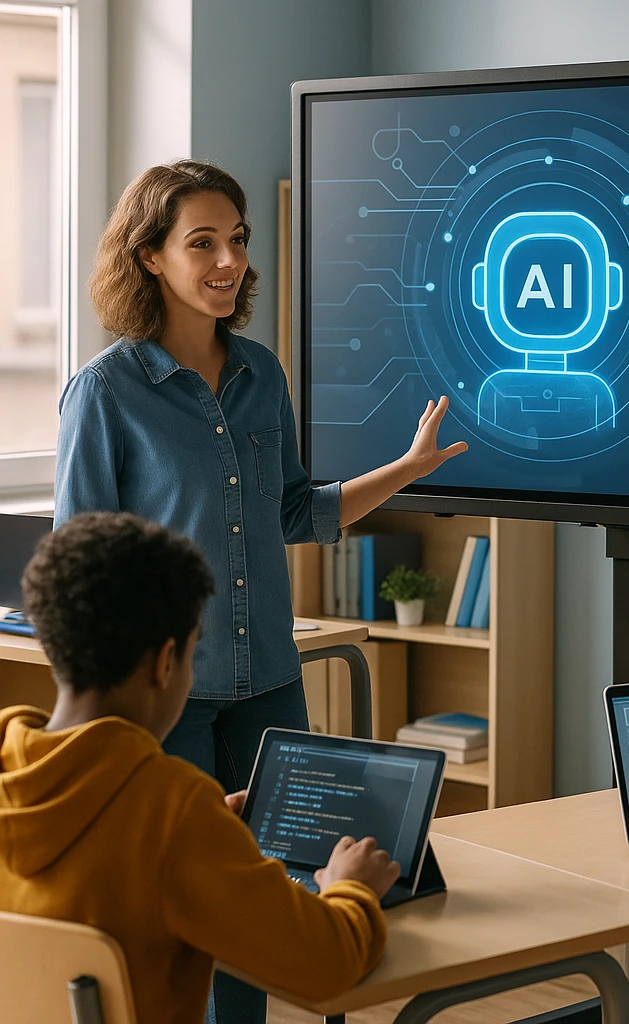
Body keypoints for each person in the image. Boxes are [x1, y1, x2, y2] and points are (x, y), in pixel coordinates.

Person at [54, 160, 466, 1021]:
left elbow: (294, 512)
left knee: (277, 886)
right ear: (149, 256)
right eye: (200, 241)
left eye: (237, 239)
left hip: (270, 680)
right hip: (170, 694)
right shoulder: (106, 392)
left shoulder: (260, 376)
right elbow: (84, 559)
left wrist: (409, 468)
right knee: (186, 909)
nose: (228, 260)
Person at [0, 511, 400, 1024]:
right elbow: (328, 965)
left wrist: (211, 830)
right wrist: (353, 887)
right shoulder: (171, 812)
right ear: (166, 661)